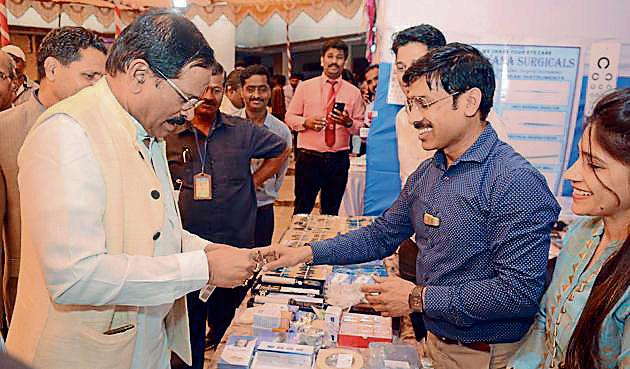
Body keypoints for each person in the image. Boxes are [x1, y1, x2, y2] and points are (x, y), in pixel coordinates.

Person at [263, 43, 560, 369]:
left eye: (424, 103)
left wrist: (417, 298)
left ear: (470, 102)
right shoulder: (431, 170)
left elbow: (518, 293)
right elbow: (382, 235)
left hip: (487, 355)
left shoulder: (514, 181)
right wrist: (305, 253)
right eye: (410, 103)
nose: (414, 117)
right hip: (438, 342)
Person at [7, 10, 258, 369]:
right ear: (140, 75)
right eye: (185, 98)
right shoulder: (67, 133)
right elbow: (76, 275)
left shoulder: (145, 128)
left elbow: (154, 230)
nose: (188, 114)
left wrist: (208, 249)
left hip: (143, 345)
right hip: (81, 354)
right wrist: (201, 267)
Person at [166, 62, 289, 368]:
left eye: (216, 89)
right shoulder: (170, 132)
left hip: (235, 241)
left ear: (226, 92)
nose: (209, 95)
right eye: (203, 88)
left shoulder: (242, 132)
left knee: (229, 315)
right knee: (189, 318)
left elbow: (282, 148)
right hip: (189, 246)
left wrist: (255, 180)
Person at [509, 88, 630, 369]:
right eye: (579, 157)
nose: (571, 174)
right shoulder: (582, 232)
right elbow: (544, 321)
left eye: (594, 165)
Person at [0, 26, 107, 329]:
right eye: (89, 77)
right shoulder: (6, 129)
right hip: (29, 283)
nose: (98, 87)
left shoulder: (106, 128)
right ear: (52, 69)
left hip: (98, 281)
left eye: (102, 78)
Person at [285, 38, 365, 215]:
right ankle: (297, 244)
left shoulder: (354, 92)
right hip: (308, 158)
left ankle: (326, 243)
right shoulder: (305, 87)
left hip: (338, 159)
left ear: (345, 62)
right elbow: (289, 117)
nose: (334, 61)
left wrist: (348, 122)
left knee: (331, 211)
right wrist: (306, 122)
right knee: (302, 209)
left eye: (339, 57)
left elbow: (361, 127)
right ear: (322, 60)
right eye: (330, 56)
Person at [239, 65, 292, 247]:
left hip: (264, 207)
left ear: (270, 91)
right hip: (234, 207)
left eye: (262, 89)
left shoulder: (281, 131)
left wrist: (269, 191)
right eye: (250, 89)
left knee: (261, 256)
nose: (256, 95)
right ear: (241, 92)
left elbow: (280, 172)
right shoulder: (230, 124)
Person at [391, 24, 446, 185]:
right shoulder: (403, 118)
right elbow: (408, 180)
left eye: (417, 65)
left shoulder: (470, 114)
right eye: (401, 67)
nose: (406, 76)